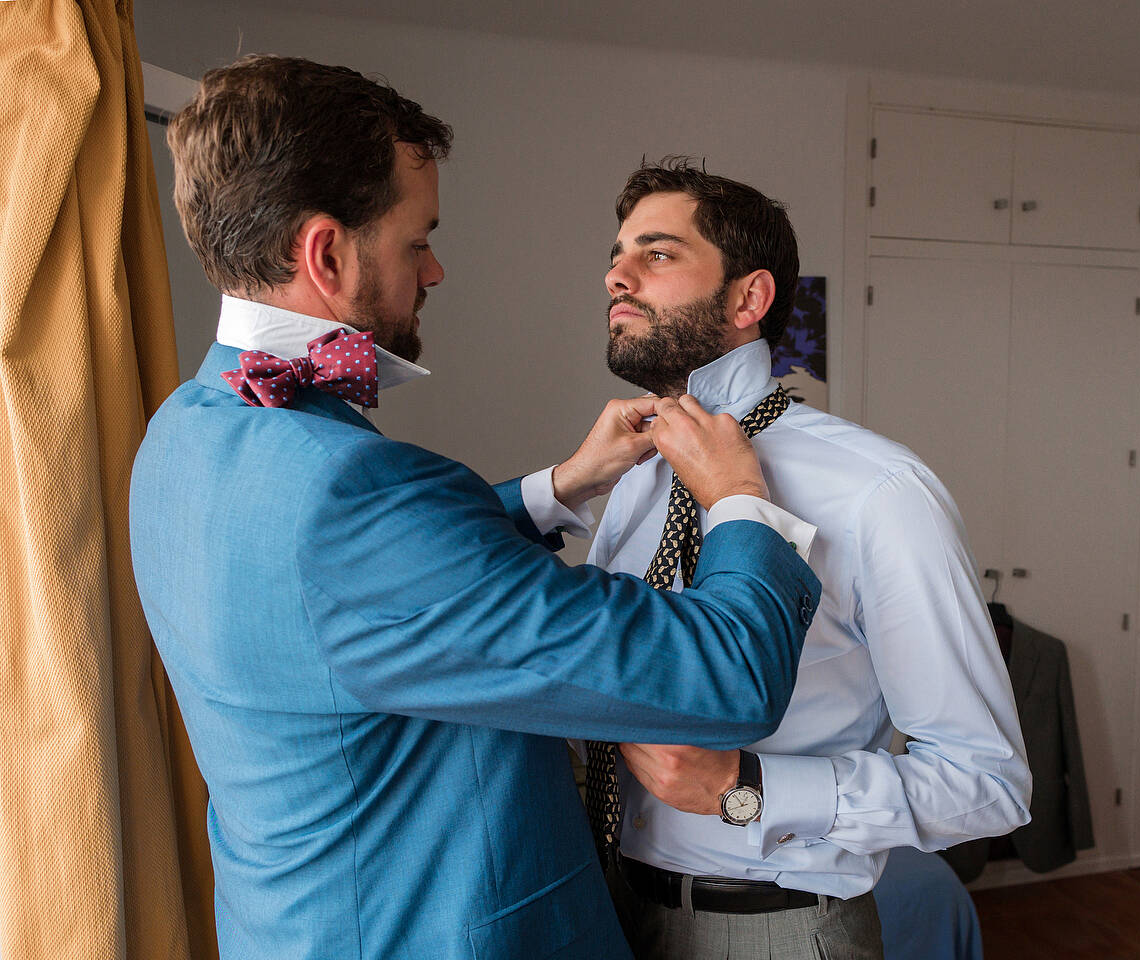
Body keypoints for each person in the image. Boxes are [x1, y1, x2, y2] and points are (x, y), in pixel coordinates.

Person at [128, 58, 822, 960]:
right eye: (418, 241)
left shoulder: (186, 429)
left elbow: (360, 587)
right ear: (327, 254)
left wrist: (560, 487)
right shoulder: (347, 501)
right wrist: (738, 499)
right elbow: (725, 677)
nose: (436, 268)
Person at [589, 158, 1032, 959]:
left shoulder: (879, 490)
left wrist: (748, 790)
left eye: (655, 254)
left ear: (748, 299)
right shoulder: (630, 475)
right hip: (608, 908)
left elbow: (987, 782)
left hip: (774, 929)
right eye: (617, 255)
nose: (615, 276)